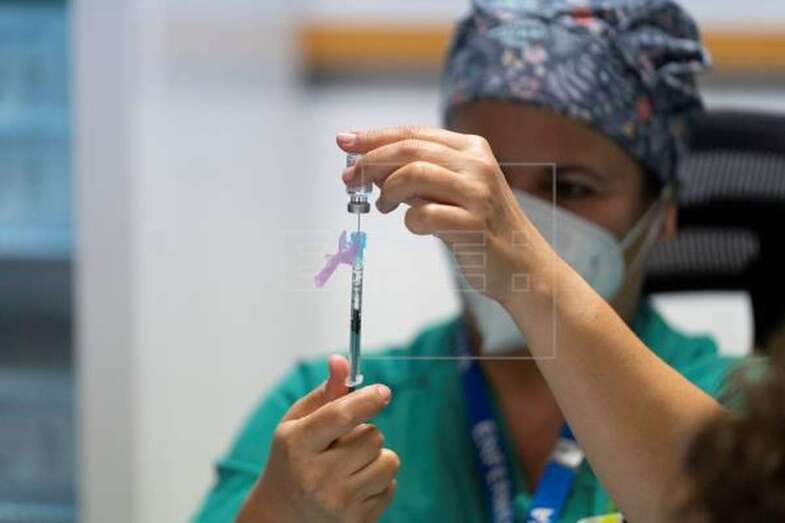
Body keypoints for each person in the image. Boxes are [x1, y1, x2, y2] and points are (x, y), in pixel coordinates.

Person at [191, 1, 743, 521]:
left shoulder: (745, 403)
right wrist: (278, 511)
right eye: (488, 185)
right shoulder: (327, 412)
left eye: (572, 188)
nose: (510, 221)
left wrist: (535, 283)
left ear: (663, 211)